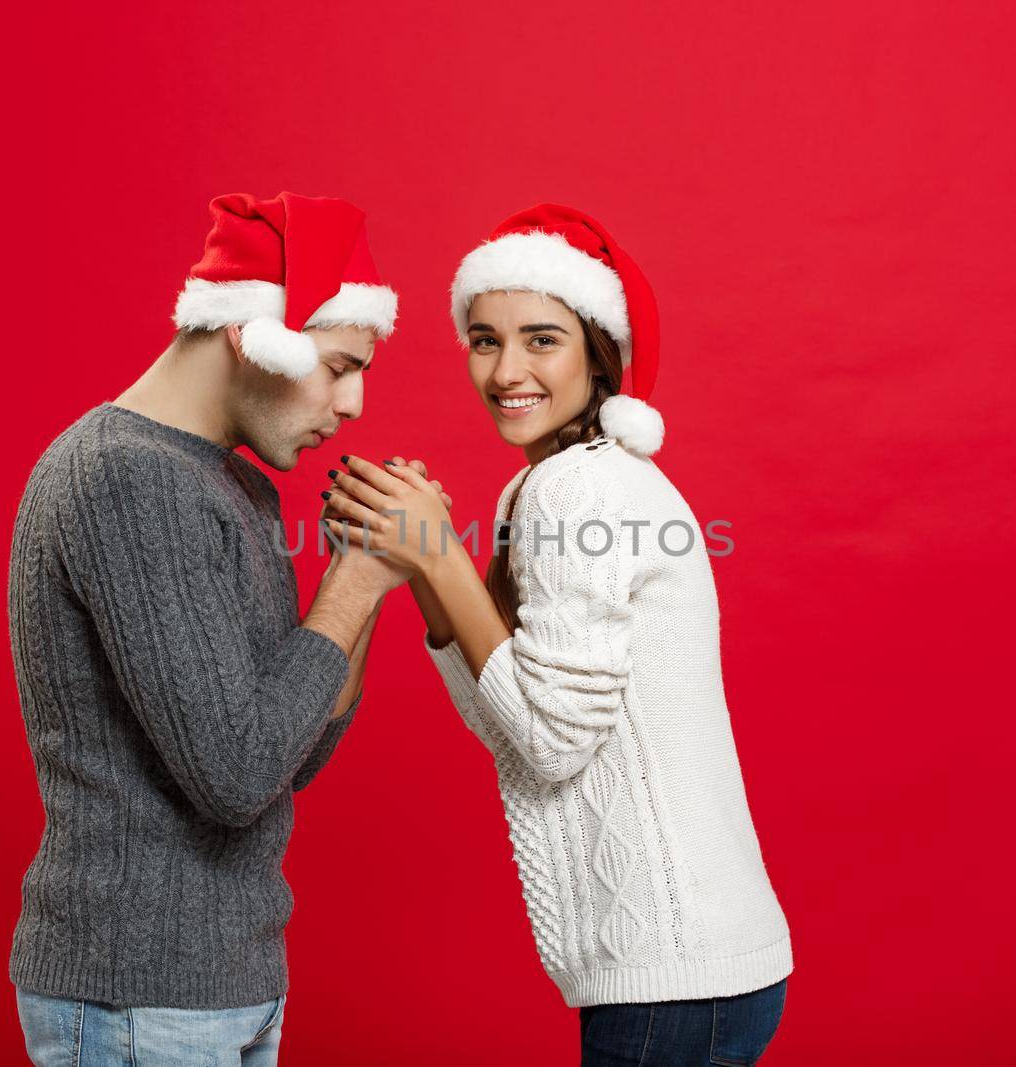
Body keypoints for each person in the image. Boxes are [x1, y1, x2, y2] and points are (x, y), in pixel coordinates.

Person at [322, 204, 794, 1065]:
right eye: (483, 339)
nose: (506, 371)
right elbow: (507, 717)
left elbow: (550, 740)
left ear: (597, 353)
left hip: (671, 978)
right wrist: (429, 570)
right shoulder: (541, 490)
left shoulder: (577, 493)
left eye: (542, 339)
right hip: (701, 968)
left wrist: (444, 557)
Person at [7, 191, 407, 1066]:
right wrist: (354, 579)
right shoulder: (124, 477)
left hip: (227, 982)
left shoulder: (238, 486)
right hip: (137, 992)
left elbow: (291, 756)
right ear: (250, 333)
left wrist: (365, 576)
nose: (355, 403)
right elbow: (233, 775)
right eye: (340, 364)